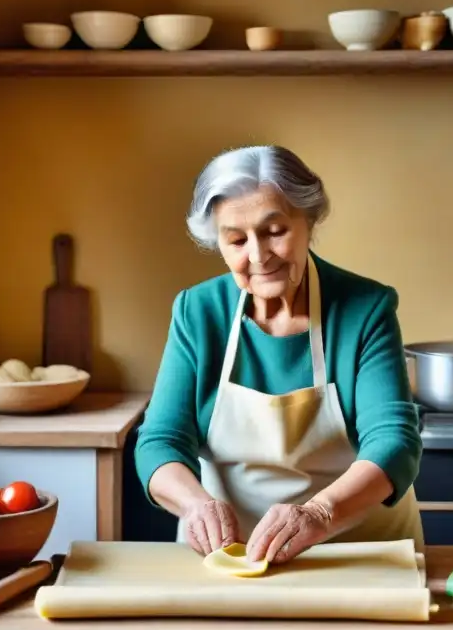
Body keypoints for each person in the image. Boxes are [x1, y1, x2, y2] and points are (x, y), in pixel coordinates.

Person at [134, 145, 423, 565]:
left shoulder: (366, 307)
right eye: (236, 239)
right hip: (231, 560)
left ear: (308, 220)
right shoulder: (197, 312)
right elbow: (160, 441)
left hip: (359, 556)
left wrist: (320, 513)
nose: (257, 255)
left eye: (274, 231)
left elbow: (394, 441)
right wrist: (195, 505)